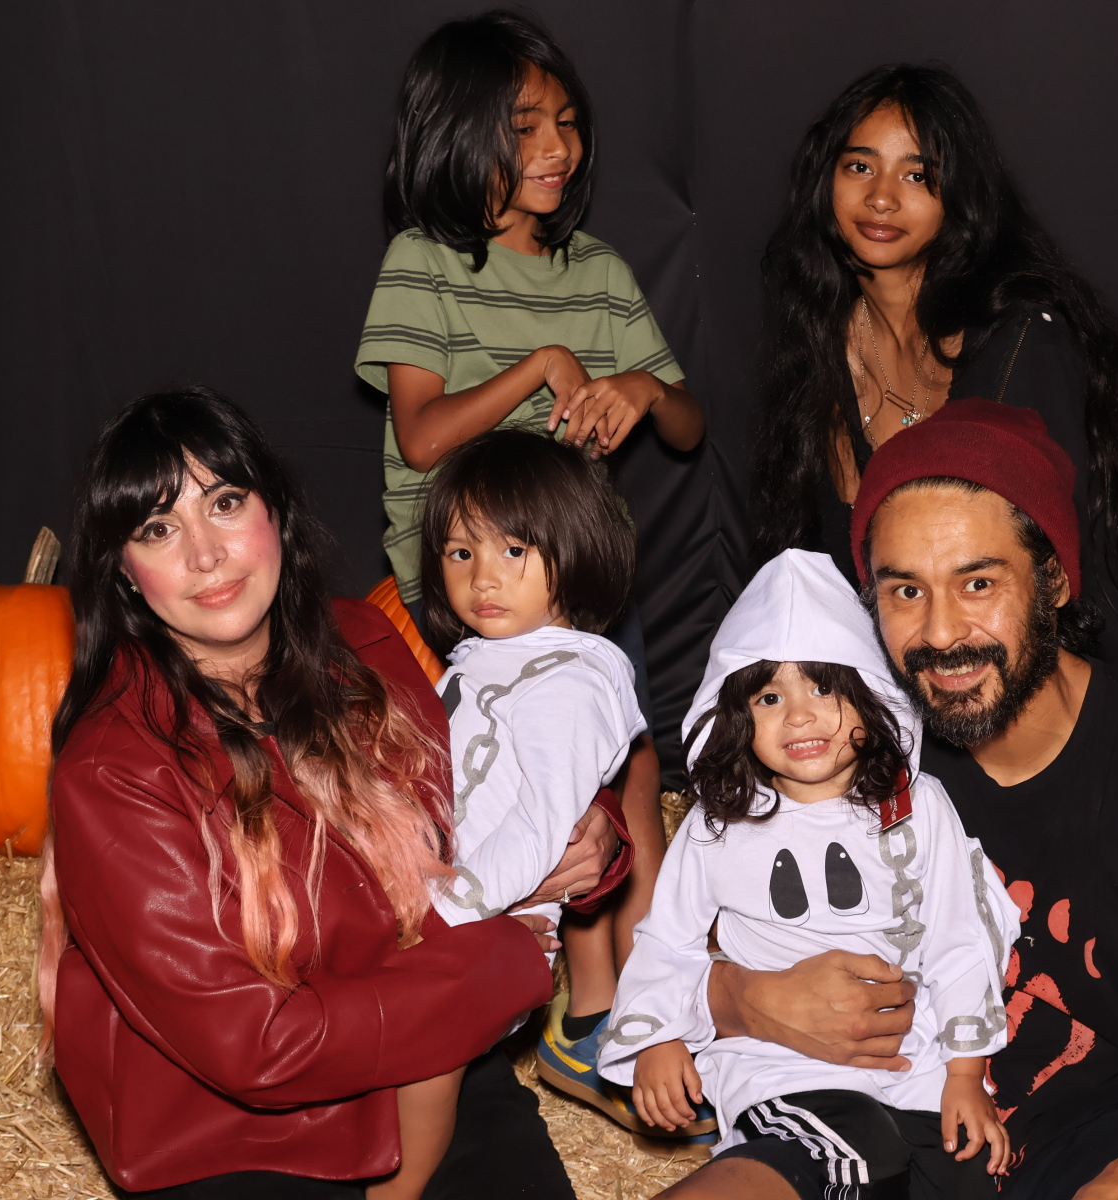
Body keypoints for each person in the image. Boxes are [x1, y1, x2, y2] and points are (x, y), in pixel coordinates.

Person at [709, 402, 1118, 1199]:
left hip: (1091, 1139)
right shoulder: (849, 745)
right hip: (868, 1113)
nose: (942, 634)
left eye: (978, 582)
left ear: (1055, 578)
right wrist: (744, 999)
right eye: (906, 591)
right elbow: (686, 942)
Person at [38, 388, 625, 1199]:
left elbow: (493, 777)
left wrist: (597, 834)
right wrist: (499, 962)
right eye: (158, 529)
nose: (205, 554)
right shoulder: (113, 772)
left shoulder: (366, 646)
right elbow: (256, 1044)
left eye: (225, 503)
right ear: (126, 574)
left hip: (438, 1062)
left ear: (274, 511)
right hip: (242, 1131)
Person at [754, 63, 1118, 780]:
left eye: (919, 175)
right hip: (942, 673)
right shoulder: (819, 347)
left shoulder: (1020, 341)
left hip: (1101, 652)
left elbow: (1049, 591)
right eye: (859, 166)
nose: (882, 196)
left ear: (961, 196)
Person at [355, 9, 705, 1107]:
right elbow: (422, 437)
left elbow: (688, 425)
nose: (557, 148)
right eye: (525, 127)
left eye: (568, 123)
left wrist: (637, 390)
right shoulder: (423, 264)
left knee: (631, 789)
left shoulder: (597, 271)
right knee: (504, 800)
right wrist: (544, 366)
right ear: (458, 133)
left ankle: (620, 1025)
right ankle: (487, 1000)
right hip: (463, 602)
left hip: (578, 589)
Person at [599, 550, 1021, 1199]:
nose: (798, 715)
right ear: (737, 716)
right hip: (781, 1069)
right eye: (769, 697)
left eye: (824, 687)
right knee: (853, 1157)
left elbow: (959, 937)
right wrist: (657, 1038)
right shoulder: (718, 823)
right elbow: (668, 938)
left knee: (963, 1176)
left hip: (915, 1068)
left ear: (870, 695)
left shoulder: (919, 806)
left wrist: (965, 1074)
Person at [413, 427, 677, 1131]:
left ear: (575, 545)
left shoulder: (569, 679)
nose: (483, 577)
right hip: (445, 918)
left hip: (473, 936)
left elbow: (543, 824)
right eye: (461, 553)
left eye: (513, 551)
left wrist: (441, 918)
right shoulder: (488, 657)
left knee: (419, 1082)